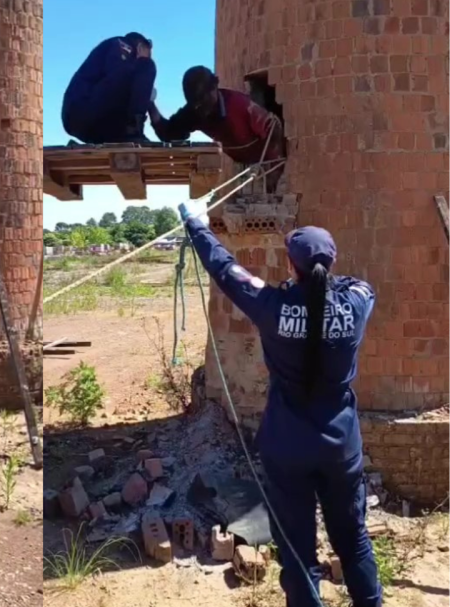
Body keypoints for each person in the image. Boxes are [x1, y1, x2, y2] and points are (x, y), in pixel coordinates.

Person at [178, 200, 381, 607]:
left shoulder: (272, 306)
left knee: (297, 554)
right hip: (340, 448)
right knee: (354, 543)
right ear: (333, 263)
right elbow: (361, 286)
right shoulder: (355, 305)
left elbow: (225, 269)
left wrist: (195, 224)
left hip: (286, 448)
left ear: (290, 265)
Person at [152, 66, 286, 191]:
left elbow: (274, 125)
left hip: (265, 160)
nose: (202, 110)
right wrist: (150, 105)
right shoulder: (194, 111)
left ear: (215, 86)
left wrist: (274, 171)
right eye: (196, 104)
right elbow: (168, 133)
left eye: (203, 101)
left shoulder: (239, 105)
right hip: (245, 163)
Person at [61, 33, 157, 144]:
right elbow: (118, 73)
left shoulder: (109, 51)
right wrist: (143, 89)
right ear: (140, 47)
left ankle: (121, 136)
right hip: (85, 109)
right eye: (148, 54)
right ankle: (134, 132)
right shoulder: (124, 44)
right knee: (147, 66)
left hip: (83, 120)